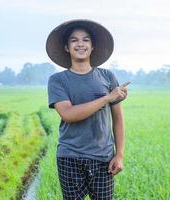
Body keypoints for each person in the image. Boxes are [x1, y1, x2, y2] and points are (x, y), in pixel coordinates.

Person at [46, 19, 130, 200]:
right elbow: (68, 114)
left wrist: (120, 155)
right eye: (74, 40)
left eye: (86, 40)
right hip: (70, 156)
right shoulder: (58, 80)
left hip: (103, 157)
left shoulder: (107, 77)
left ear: (92, 47)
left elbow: (118, 119)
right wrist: (107, 98)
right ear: (67, 47)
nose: (80, 44)